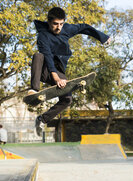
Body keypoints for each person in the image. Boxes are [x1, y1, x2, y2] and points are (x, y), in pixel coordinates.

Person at [29, 7, 111, 136]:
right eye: (55, 24)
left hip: (59, 70)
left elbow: (84, 27)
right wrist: (56, 78)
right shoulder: (43, 36)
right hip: (45, 69)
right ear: (49, 22)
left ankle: (42, 119)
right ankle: (34, 89)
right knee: (38, 56)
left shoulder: (67, 29)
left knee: (67, 100)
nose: (58, 27)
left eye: (61, 24)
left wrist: (103, 37)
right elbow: (48, 57)